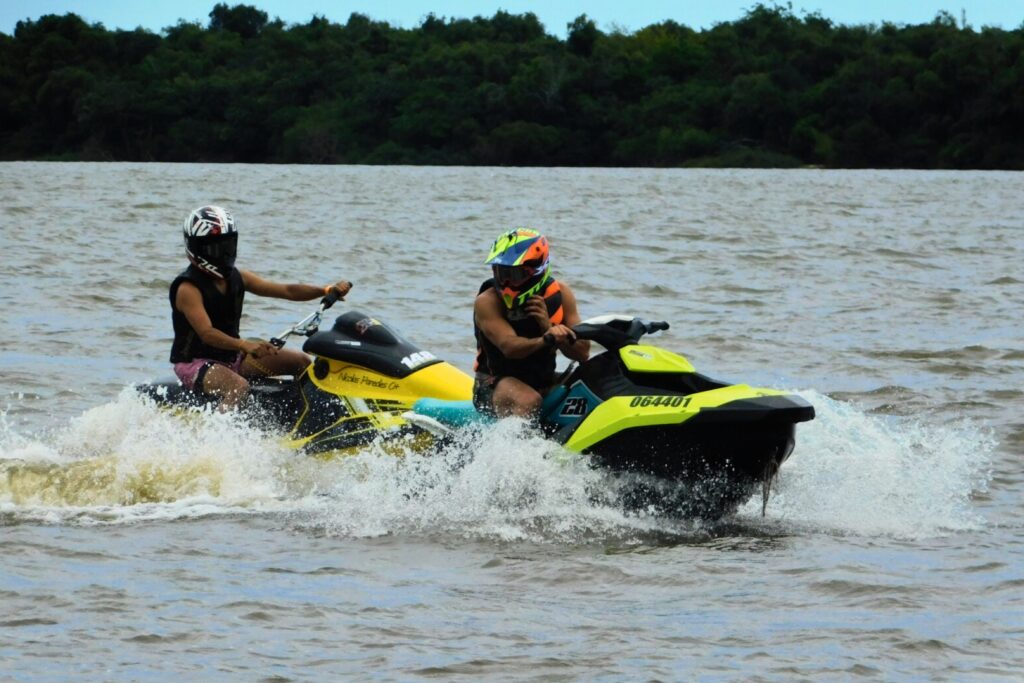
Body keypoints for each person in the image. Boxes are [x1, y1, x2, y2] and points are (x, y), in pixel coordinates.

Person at [169, 205, 352, 409]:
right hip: (195, 363)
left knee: (302, 362)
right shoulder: (188, 289)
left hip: (233, 357)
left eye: (228, 245)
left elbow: (287, 290)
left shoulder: (239, 277)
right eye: (216, 248)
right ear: (196, 248)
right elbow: (207, 333)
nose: (224, 253)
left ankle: (309, 415)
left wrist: (325, 290)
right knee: (238, 387)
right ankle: (215, 429)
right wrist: (244, 345)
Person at [472, 228, 589, 418]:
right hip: (493, 383)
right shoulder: (487, 301)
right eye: (501, 273)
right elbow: (509, 347)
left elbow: (582, 353)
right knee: (528, 400)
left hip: (542, 380)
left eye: (515, 274)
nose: (507, 282)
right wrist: (547, 338)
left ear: (537, 271)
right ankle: (518, 439)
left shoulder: (561, 294)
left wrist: (547, 326)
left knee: (592, 382)